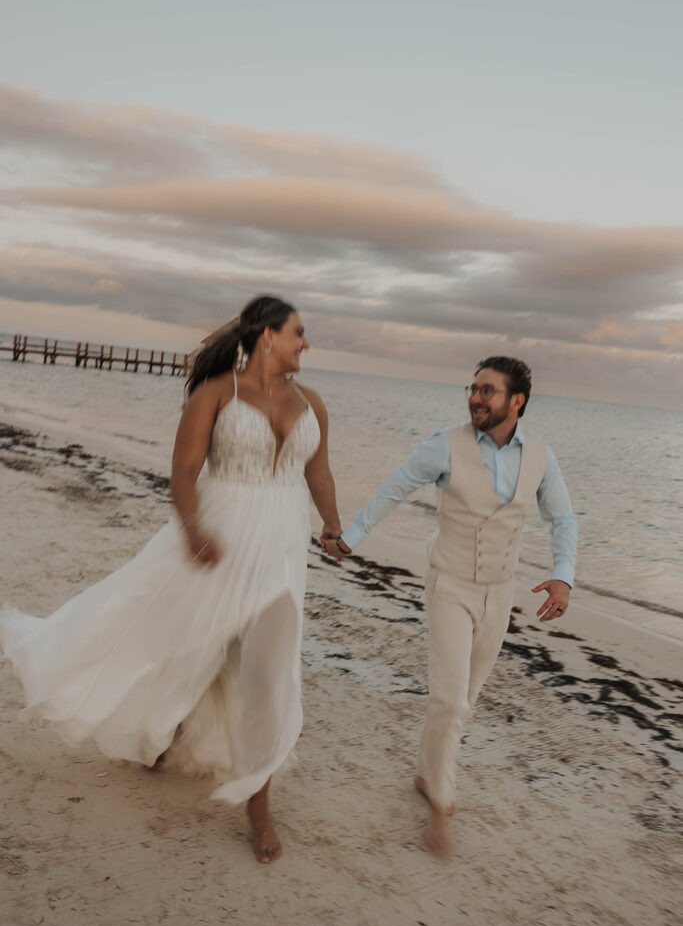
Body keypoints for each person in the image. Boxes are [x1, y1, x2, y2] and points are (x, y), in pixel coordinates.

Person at [1, 295, 343, 863]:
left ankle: (259, 804)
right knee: (177, 643)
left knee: (266, 670)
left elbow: (319, 471)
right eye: (299, 333)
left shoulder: (314, 405)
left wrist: (332, 523)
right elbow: (183, 473)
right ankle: (154, 733)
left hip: (282, 548)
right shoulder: (215, 395)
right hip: (217, 537)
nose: (306, 343)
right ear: (267, 337)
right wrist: (192, 531)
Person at [323, 357, 577, 857]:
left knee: (468, 697)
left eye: (487, 390)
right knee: (448, 699)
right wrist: (350, 538)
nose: (475, 398)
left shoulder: (542, 457)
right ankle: (441, 803)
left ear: (516, 401)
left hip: (501, 592)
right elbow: (394, 488)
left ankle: (426, 772)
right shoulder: (445, 445)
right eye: (473, 388)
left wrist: (563, 577)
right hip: (450, 585)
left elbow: (563, 519)